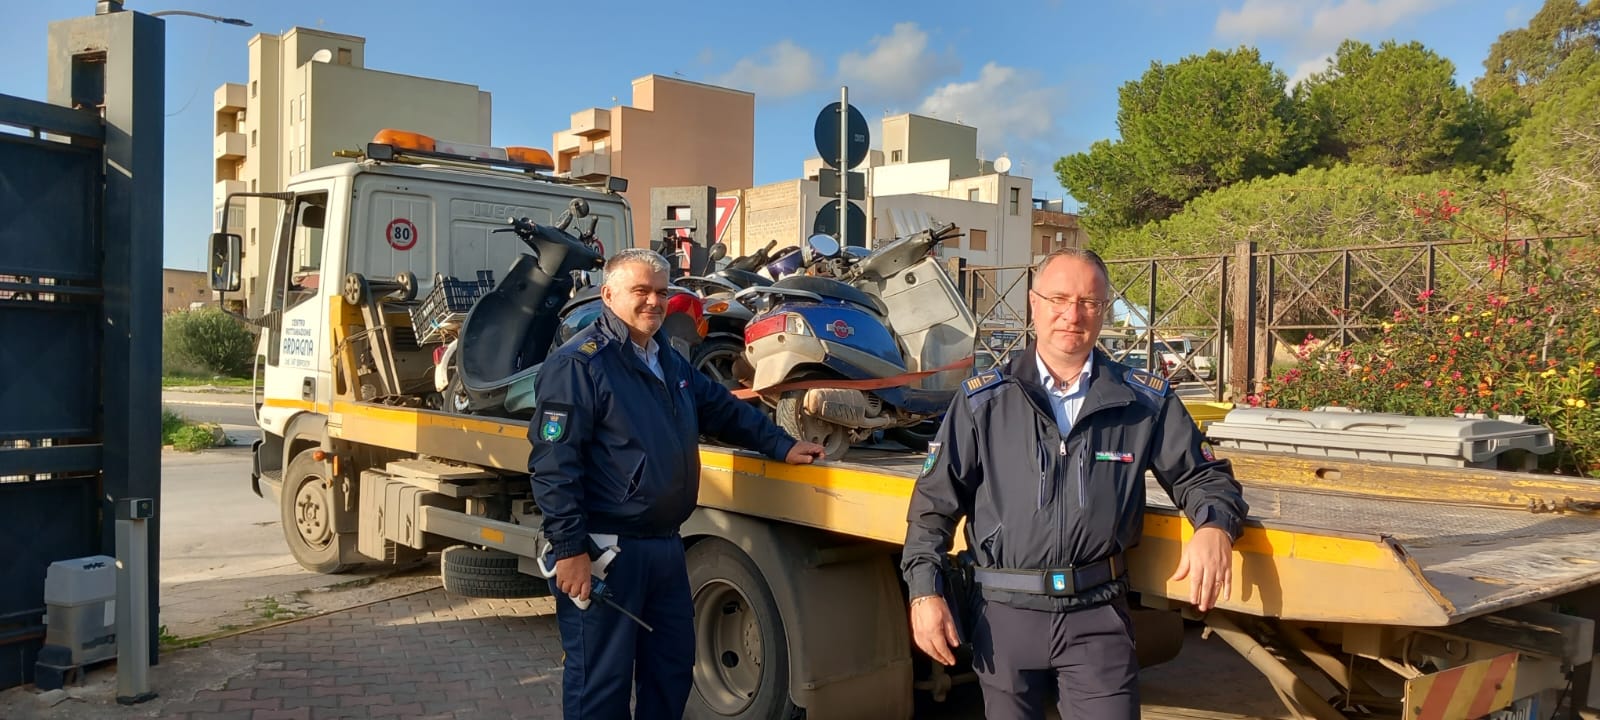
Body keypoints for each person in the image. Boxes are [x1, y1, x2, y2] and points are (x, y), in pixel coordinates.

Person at [900, 248, 1249, 720]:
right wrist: (925, 592)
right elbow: (932, 508)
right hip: (1004, 615)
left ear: (1103, 311)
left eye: (1088, 302)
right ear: (1033, 303)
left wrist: (1214, 527)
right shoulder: (985, 400)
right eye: (1059, 298)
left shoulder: (1140, 401)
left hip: (1096, 616)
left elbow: (1203, 475)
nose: (1072, 314)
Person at [528, 247, 826, 720]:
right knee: (599, 688)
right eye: (640, 291)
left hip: (666, 549)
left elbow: (722, 408)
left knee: (669, 674)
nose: (653, 302)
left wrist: (780, 444)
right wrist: (569, 548)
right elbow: (553, 464)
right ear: (608, 294)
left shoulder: (667, 357)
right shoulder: (579, 364)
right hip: (608, 550)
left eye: (661, 292)